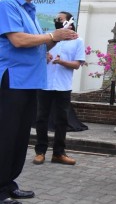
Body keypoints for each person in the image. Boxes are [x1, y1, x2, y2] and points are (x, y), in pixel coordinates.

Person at [0, 0, 78, 204]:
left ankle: (9, 183)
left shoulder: (31, 11)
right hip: (13, 81)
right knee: (6, 136)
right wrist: (52, 36)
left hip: (30, 82)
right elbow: (18, 39)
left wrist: (56, 40)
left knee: (20, 137)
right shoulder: (7, 6)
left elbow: (39, 45)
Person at [32, 11, 85, 166]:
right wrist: (44, 56)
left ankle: (59, 153)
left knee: (61, 120)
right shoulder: (48, 38)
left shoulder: (78, 41)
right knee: (41, 118)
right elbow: (35, 56)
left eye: (60, 19)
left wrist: (62, 62)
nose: (56, 21)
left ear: (69, 22)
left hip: (63, 86)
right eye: (55, 19)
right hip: (45, 84)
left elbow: (77, 64)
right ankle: (40, 152)